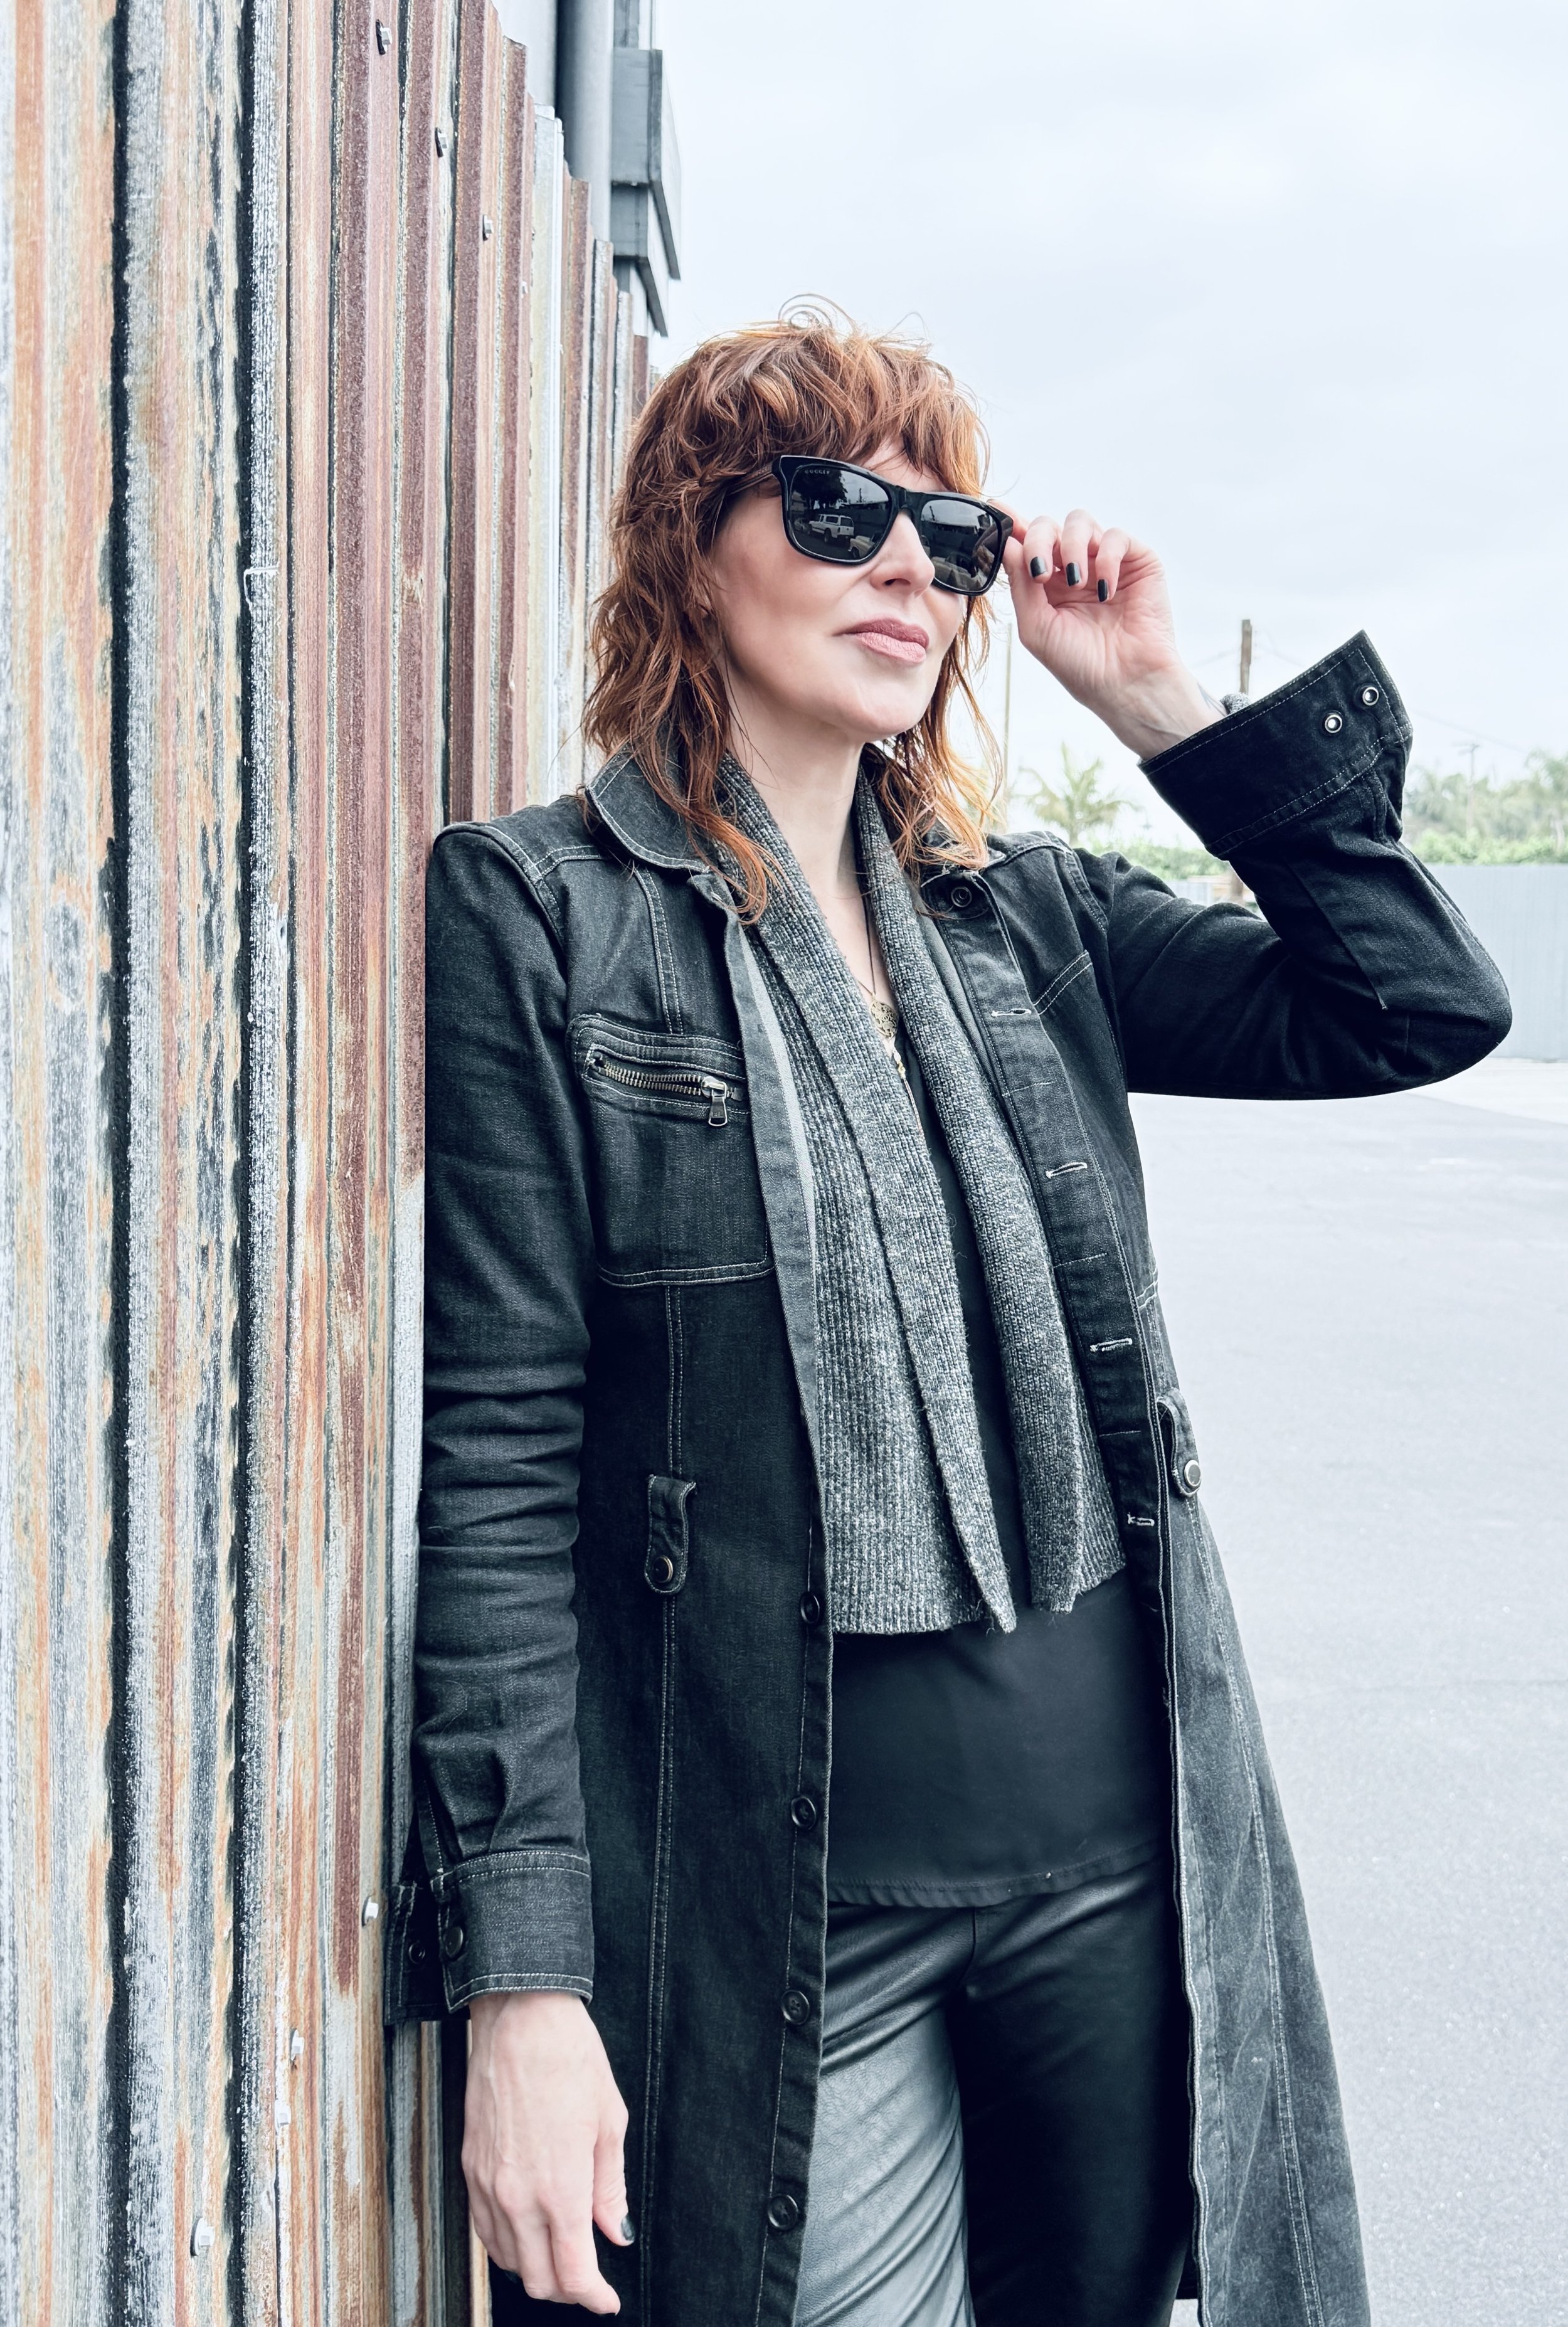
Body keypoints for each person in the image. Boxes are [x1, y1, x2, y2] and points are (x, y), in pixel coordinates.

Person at [386, 316, 1509, 2327]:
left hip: (1113, 1861)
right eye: (837, 515)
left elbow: (1406, 1006)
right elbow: (493, 1472)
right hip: (779, 1888)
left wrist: (1165, 703)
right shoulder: (540, 911)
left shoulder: (1026, 917)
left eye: (950, 535)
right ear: (684, 547)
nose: (907, 568)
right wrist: (522, 1988)